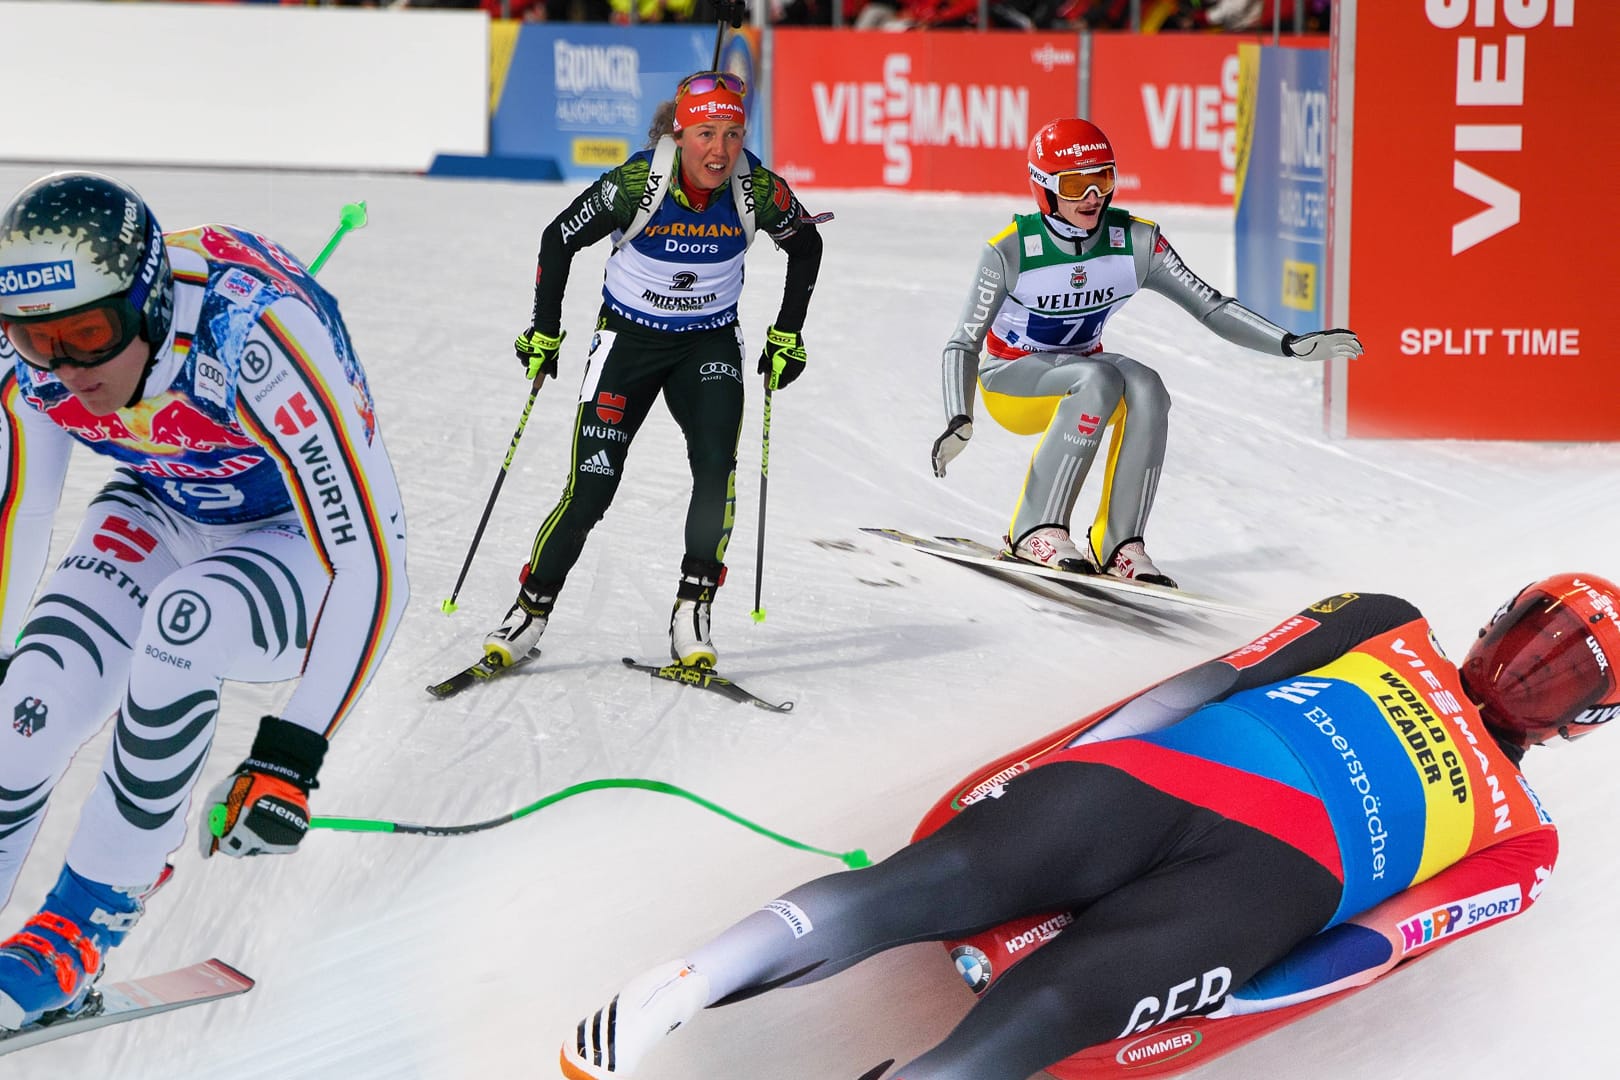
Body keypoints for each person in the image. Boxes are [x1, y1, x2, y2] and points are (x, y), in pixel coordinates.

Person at [555, 572, 1618, 1079]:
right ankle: (679, 989)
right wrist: (1059, 762)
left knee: (1030, 984)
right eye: (1539, 635)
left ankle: (711, 996)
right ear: (1497, 620)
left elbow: (1382, 945)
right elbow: (1211, 678)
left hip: (1234, 880)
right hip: (1175, 803)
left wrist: (1241, 998)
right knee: (941, 898)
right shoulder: (1390, 621)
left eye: (1566, 671)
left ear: (1580, 722)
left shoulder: (1526, 842)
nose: (1534, 666)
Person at [0, 172, 408, 1029]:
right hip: (164, 502)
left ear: (147, 304)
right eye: (39, 343)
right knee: (24, 705)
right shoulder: (25, 353)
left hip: (296, 538)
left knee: (185, 626)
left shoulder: (254, 335)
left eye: (89, 333)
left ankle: (83, 920)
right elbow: (20, 508)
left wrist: (291, 755)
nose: (67, 368)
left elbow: (373, 558)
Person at [483, 70, 825, 671]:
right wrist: (545, 329)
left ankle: (693, 609)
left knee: (717, 470)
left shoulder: (759, 189)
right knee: (591, 489)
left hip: (707, 346)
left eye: (732, 134)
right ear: (679, 132)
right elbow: (557, 239)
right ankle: (531, 608)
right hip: (628, 344)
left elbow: (806, 245)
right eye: (704, 134)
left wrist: (787, 333)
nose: (719, 152)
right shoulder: (639, 182)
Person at [930, 117, 1362, 588]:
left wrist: (1287, 344)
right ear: (1045, 190)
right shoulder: (1011, 250)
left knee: (1146, 385)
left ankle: (1120, 543)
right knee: (1097, 380)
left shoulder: (1136, 241)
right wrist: (959, 418)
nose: (1092, 196)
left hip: (1082, 375)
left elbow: (1210, 305)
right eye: (1076, 184)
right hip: (1012, 383)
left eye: (1104, 179)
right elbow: (963, 342)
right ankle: (1034, 528)